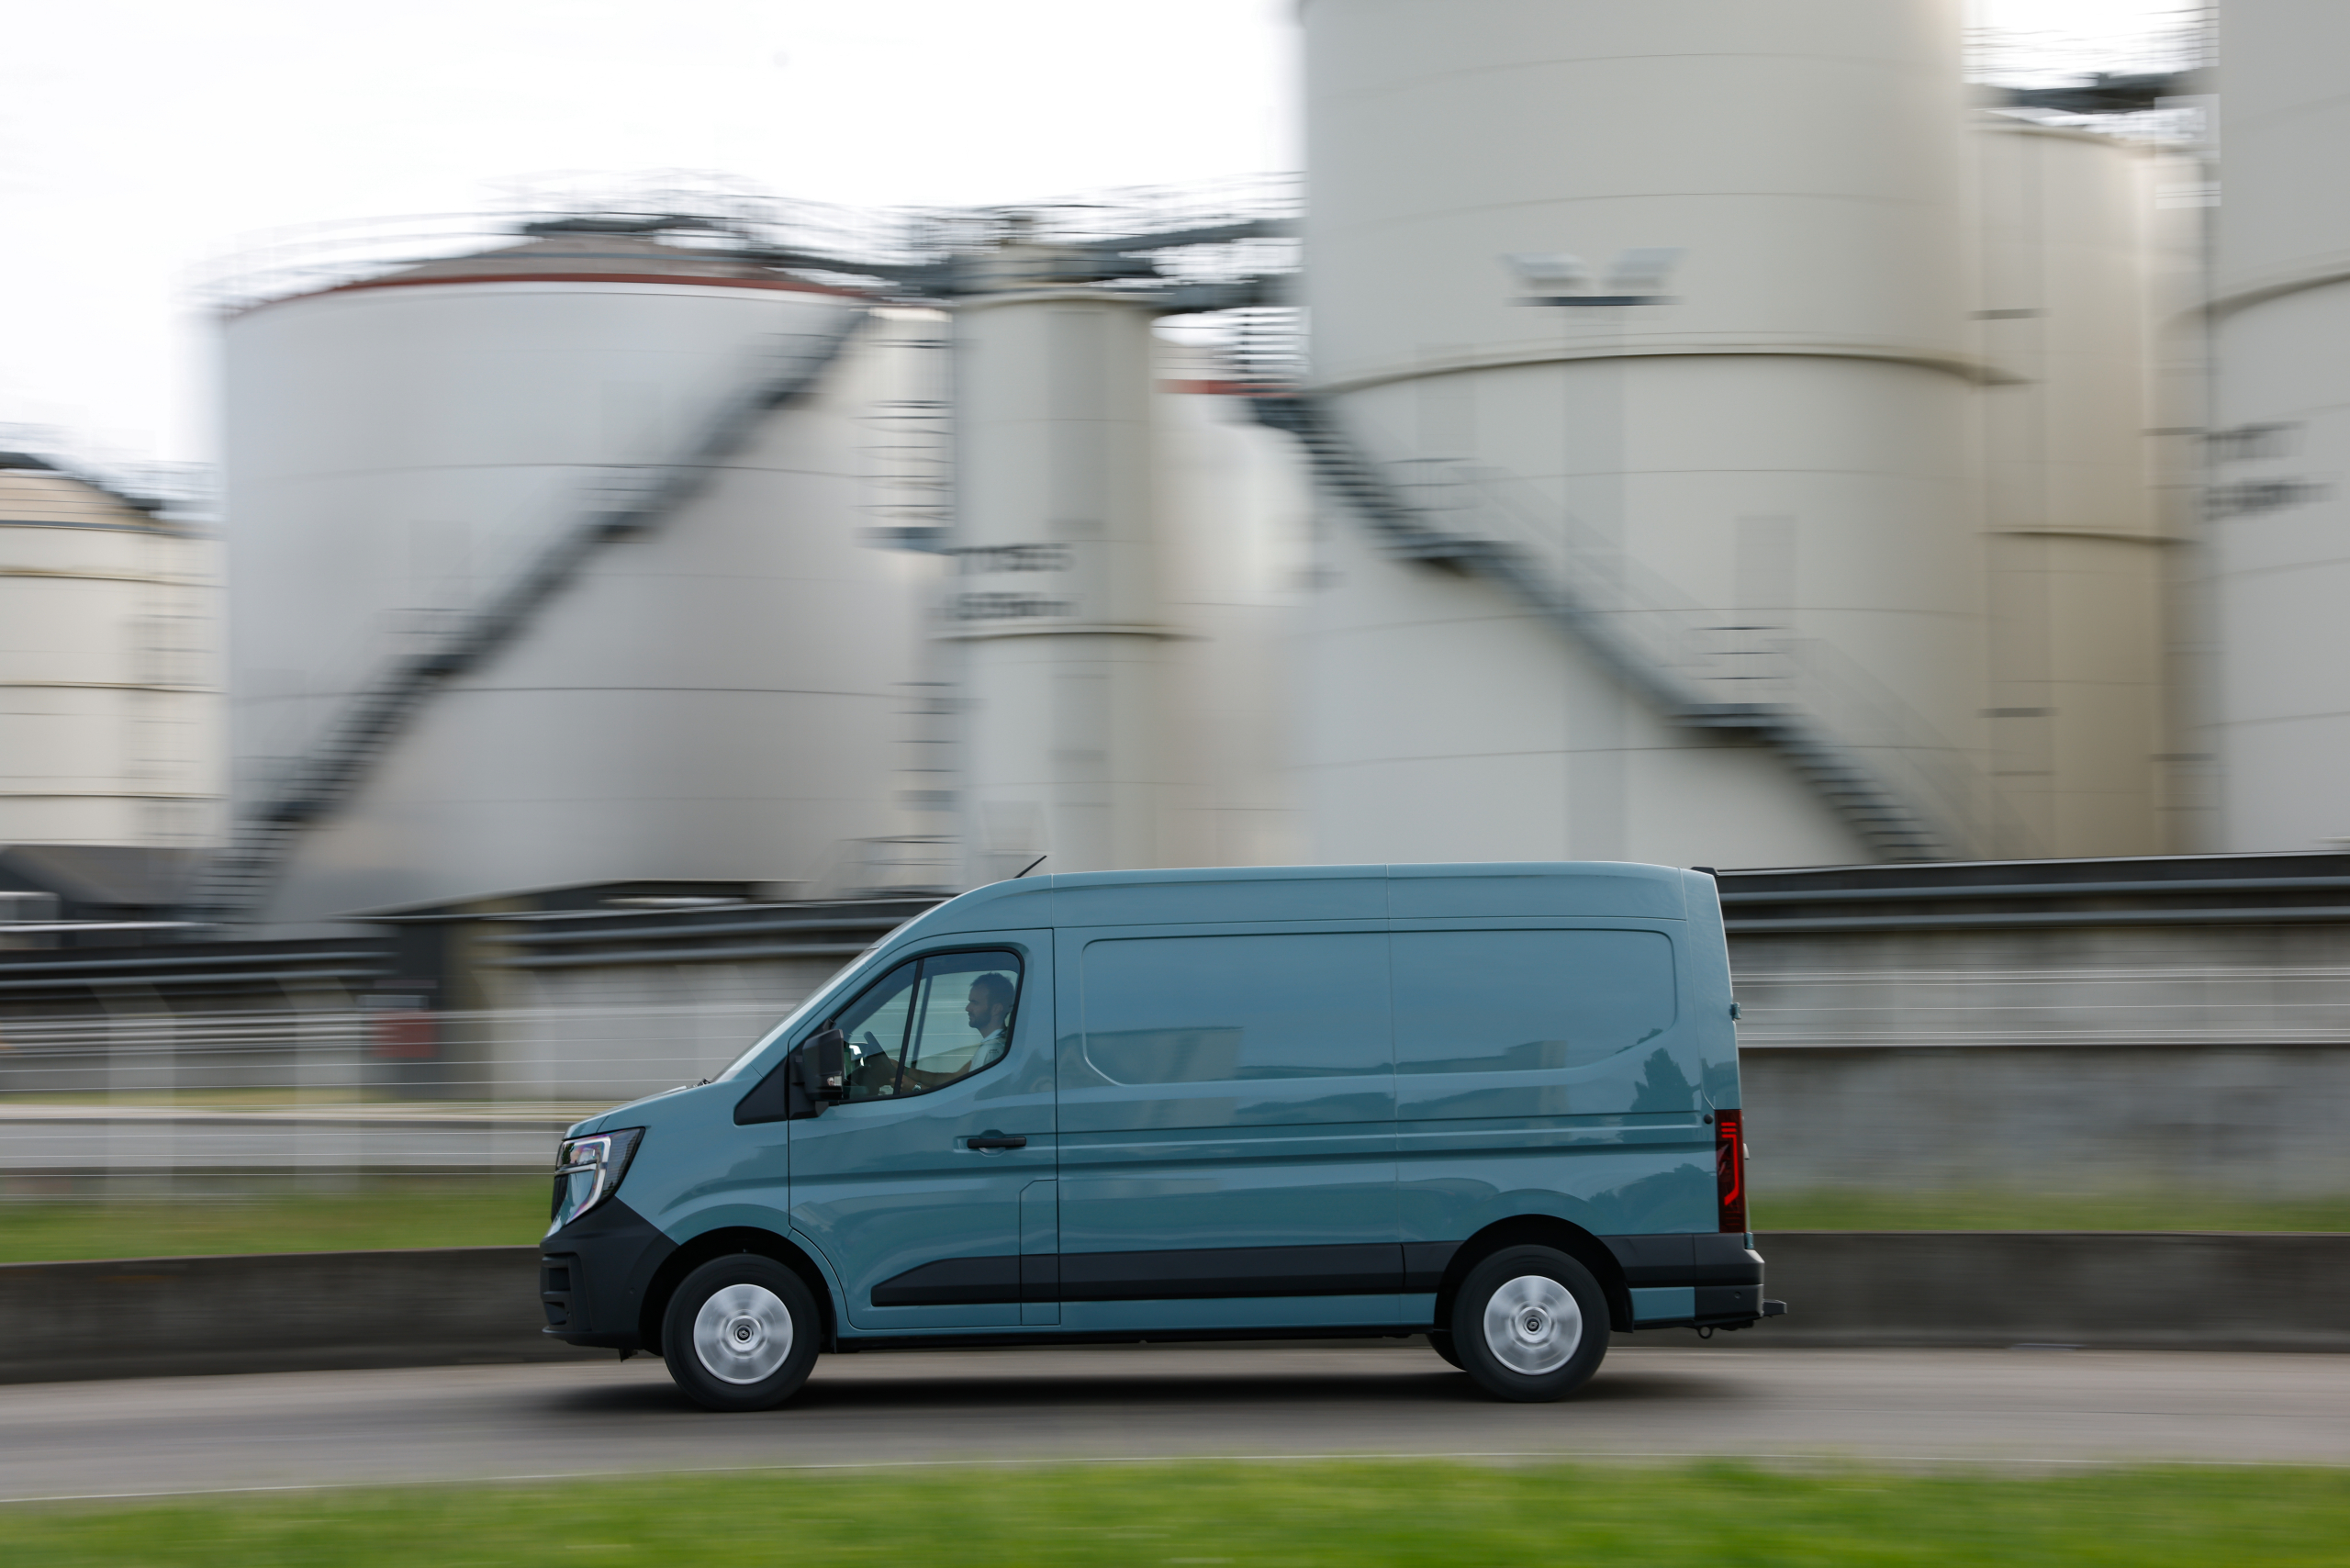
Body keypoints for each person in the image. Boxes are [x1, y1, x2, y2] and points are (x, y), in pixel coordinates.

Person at [898, 971, 1016, 1092]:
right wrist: (904, 1070)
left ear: (996, 1009)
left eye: (975, 1002)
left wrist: (914, 1088)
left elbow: (969, 1099)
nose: (967, 1008)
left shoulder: (991, 1052)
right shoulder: (996, 1044)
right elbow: (955, 1077)